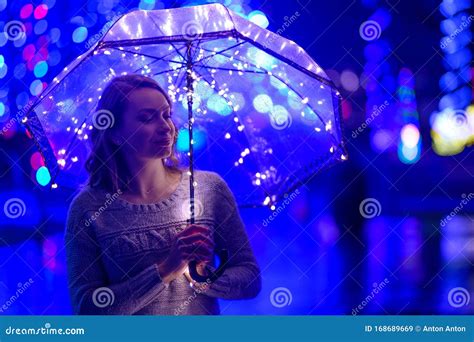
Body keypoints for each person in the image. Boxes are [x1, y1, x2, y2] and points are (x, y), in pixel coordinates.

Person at [65, 74, 261, 315]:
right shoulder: (89, 208)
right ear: (114, 133)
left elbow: (250, 278)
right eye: (147, 118)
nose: (165, 127)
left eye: (166, 115)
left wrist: (205, 279)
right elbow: (86, 309)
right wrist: (166, 269)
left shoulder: (209, 189)